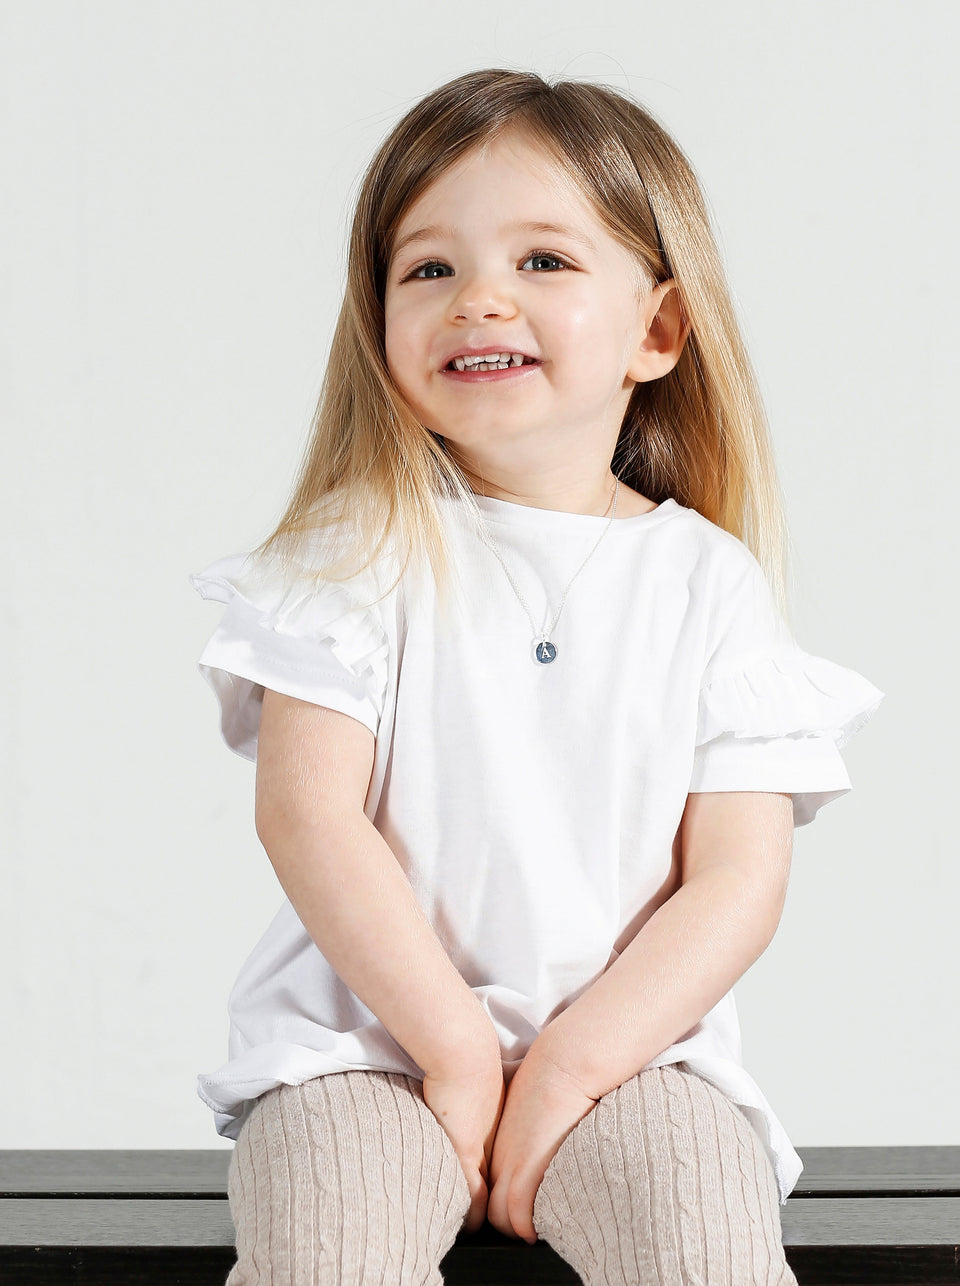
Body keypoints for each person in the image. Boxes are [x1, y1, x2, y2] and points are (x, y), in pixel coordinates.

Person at [190, 67, 884, 1286]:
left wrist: (567, 1066)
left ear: (656, 330)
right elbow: (308, 813)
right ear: (380, 321)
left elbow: (735, 877)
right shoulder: (354, 549)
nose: (480, 301)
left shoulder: (705, 584)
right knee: (327, 1257)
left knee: (705, 1247)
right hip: (364, 1051)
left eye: (545, 263)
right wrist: (456, 1052)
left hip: (630, 1059)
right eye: (429, 268)